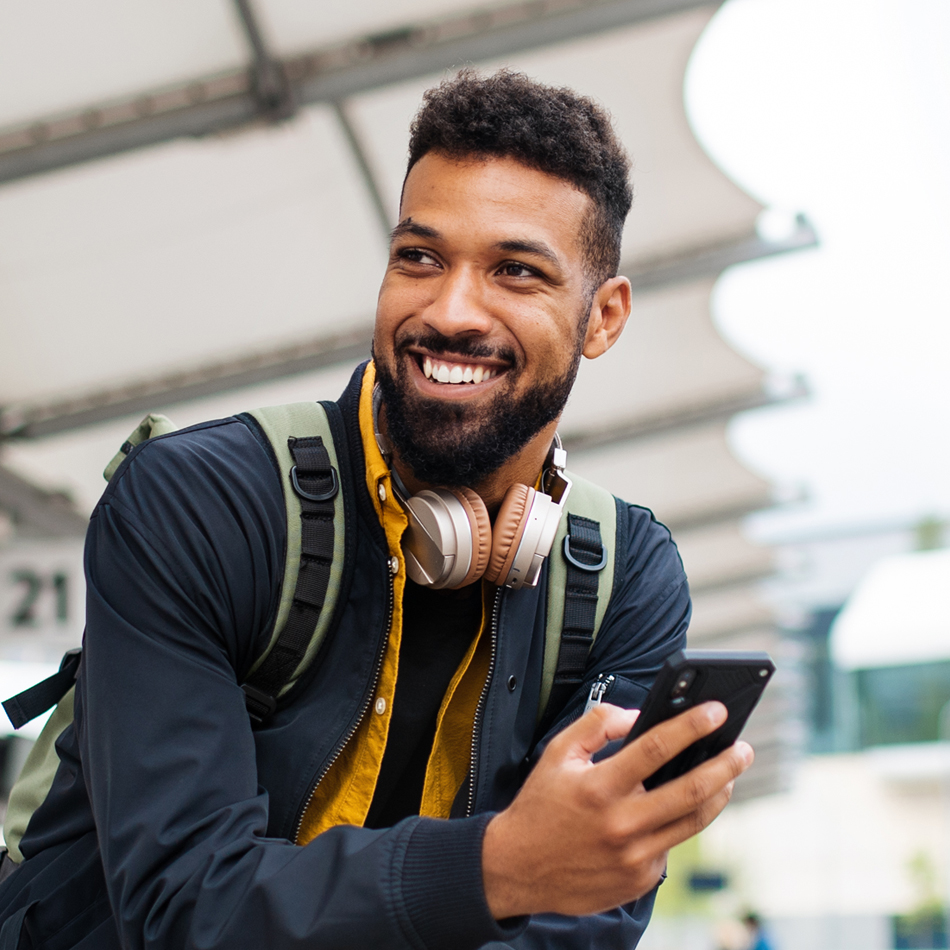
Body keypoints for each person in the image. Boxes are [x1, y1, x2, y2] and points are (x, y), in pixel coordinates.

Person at [0, 69, 752, 948]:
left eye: (516, 271)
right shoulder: (197, 503)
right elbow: (182, 908)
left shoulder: (627, 575)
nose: (449, 310)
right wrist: (501, 865)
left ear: (603, 317)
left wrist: (551, 866)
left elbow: (584, 919)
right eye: (419, 258)